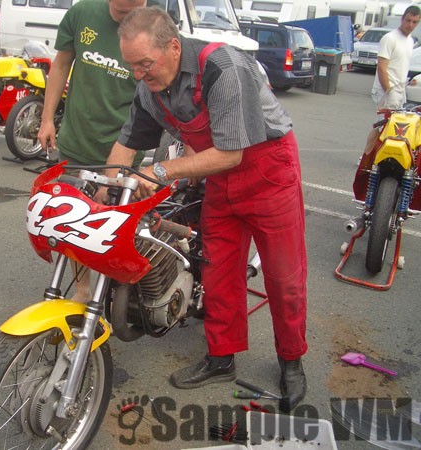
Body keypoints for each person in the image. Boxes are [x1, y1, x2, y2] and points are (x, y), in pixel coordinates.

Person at [105, 7, 308, 413]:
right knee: (218, 271)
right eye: (132, 67)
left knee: (284, 277)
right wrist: (108, 188)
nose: (140, 75)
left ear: (174, 48)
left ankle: (291, 361)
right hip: (218, 179)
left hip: (267, 171)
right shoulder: (149, 88)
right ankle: (221, 358)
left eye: (145, 64)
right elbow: (128, 145)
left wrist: (160, 170)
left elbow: (231, 154)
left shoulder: (222, 67)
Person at [37, 0, 146, 302]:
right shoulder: (82, 13)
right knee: (73, 221)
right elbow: (60, 64)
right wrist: (47, 119)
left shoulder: (152, 26)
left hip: (122, 144)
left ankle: (113, 290)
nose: (121, 15)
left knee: (113, 225)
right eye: (117, 7)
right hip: (76, 139)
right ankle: (84, 290)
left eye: (129, 11)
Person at [362, 6, 421, 158]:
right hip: (387, 90)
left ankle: (385, 154)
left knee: (396, 125)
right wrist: (388, 91)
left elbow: (400, 65)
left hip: (399, 90)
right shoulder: (390, 38)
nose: (410, 24)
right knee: (382, 125)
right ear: (402, 19)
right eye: (408, 20)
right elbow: (382, 67)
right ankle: (367, 157)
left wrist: (407, 83)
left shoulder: (409, 41)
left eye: (414, 22)